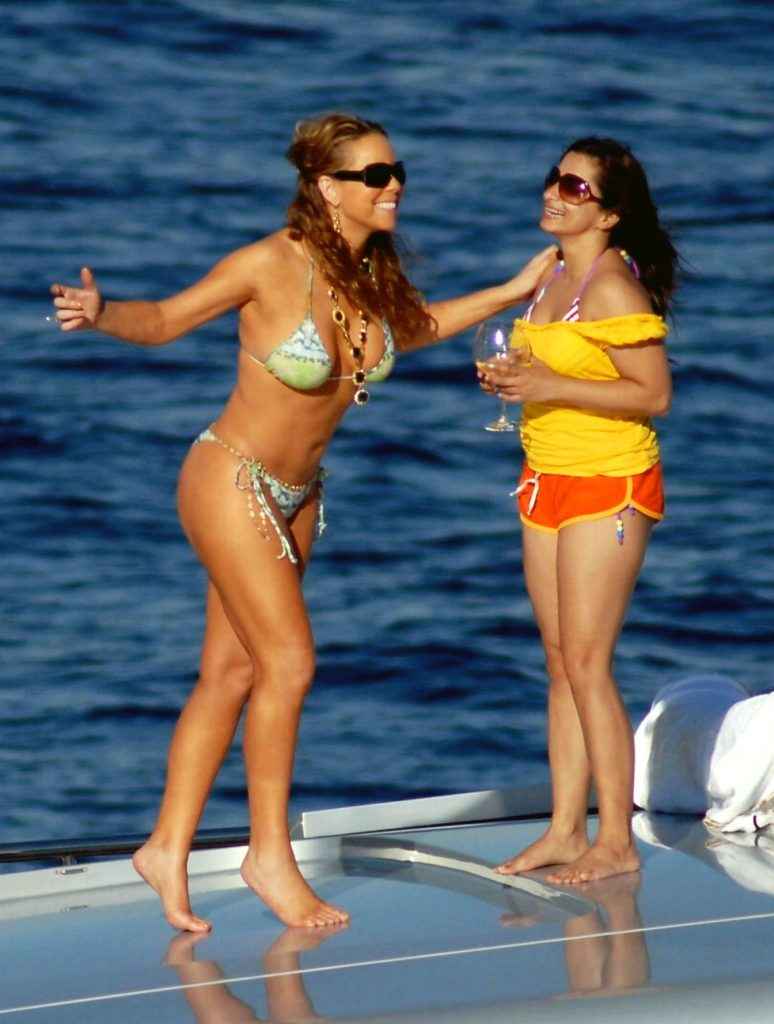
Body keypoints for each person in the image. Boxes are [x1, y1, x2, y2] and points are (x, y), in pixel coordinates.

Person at [50, 112, 556, 932]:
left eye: (396, 172)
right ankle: (269, 856)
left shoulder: (370, 272)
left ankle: (165, 847)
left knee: (231, 673)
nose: (393, 187)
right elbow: (168, 320)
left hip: (298, 495)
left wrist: (508, 291)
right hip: (230, 479)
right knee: (288, 665)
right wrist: (103, 312)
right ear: (327, 187)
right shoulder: (268, 263)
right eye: (374, 176)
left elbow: (411, 330)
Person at [480, 137, 678, 884]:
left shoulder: (612, 287)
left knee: (590, 664)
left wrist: (545, 386)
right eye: (554, 178)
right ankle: (566, 829)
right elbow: (558, 368)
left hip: (608, 483)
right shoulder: (551, 277)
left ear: (610, 214)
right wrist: (519, 379)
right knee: (561, 662)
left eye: (575, 187)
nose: (554, 193)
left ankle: (616, 840)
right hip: (545, 480)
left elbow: (654, 394)